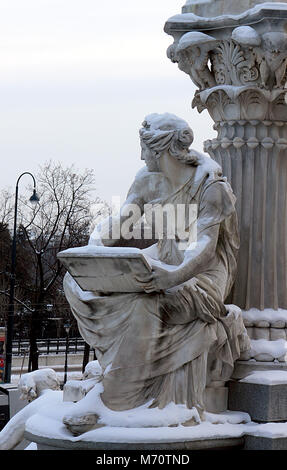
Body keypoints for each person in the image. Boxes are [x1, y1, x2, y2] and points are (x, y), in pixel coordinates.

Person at [63, 113, 250, 431]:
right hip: (165, 259)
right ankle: (117, 374)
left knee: (146, 301)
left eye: (145, 149)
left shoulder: (210, 187)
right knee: (75, 280)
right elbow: (121, 222)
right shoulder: (146, 179)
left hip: (201, 277)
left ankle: (116, 400)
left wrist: (173, 277)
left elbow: (204, 246)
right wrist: (93, 249)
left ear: (162, 149)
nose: (141, 156)